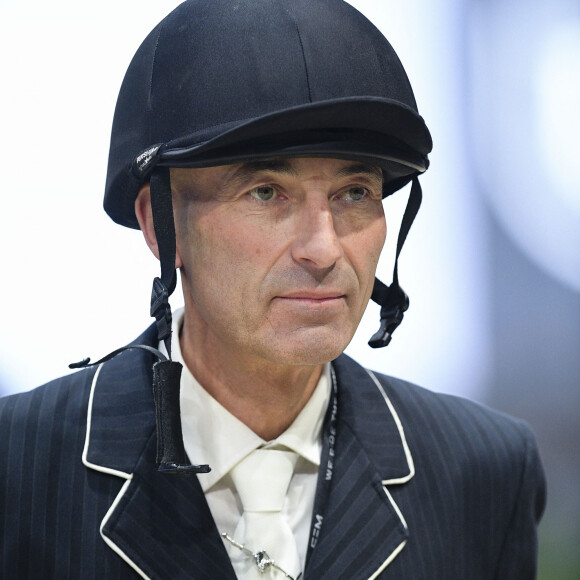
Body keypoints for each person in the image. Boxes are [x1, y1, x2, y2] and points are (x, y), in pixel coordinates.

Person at [0, 1, 545, 579]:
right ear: (161, 226)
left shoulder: (484, 470)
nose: (324, 248)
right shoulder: (17, 466)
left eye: (355, 193)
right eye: (266, 193)